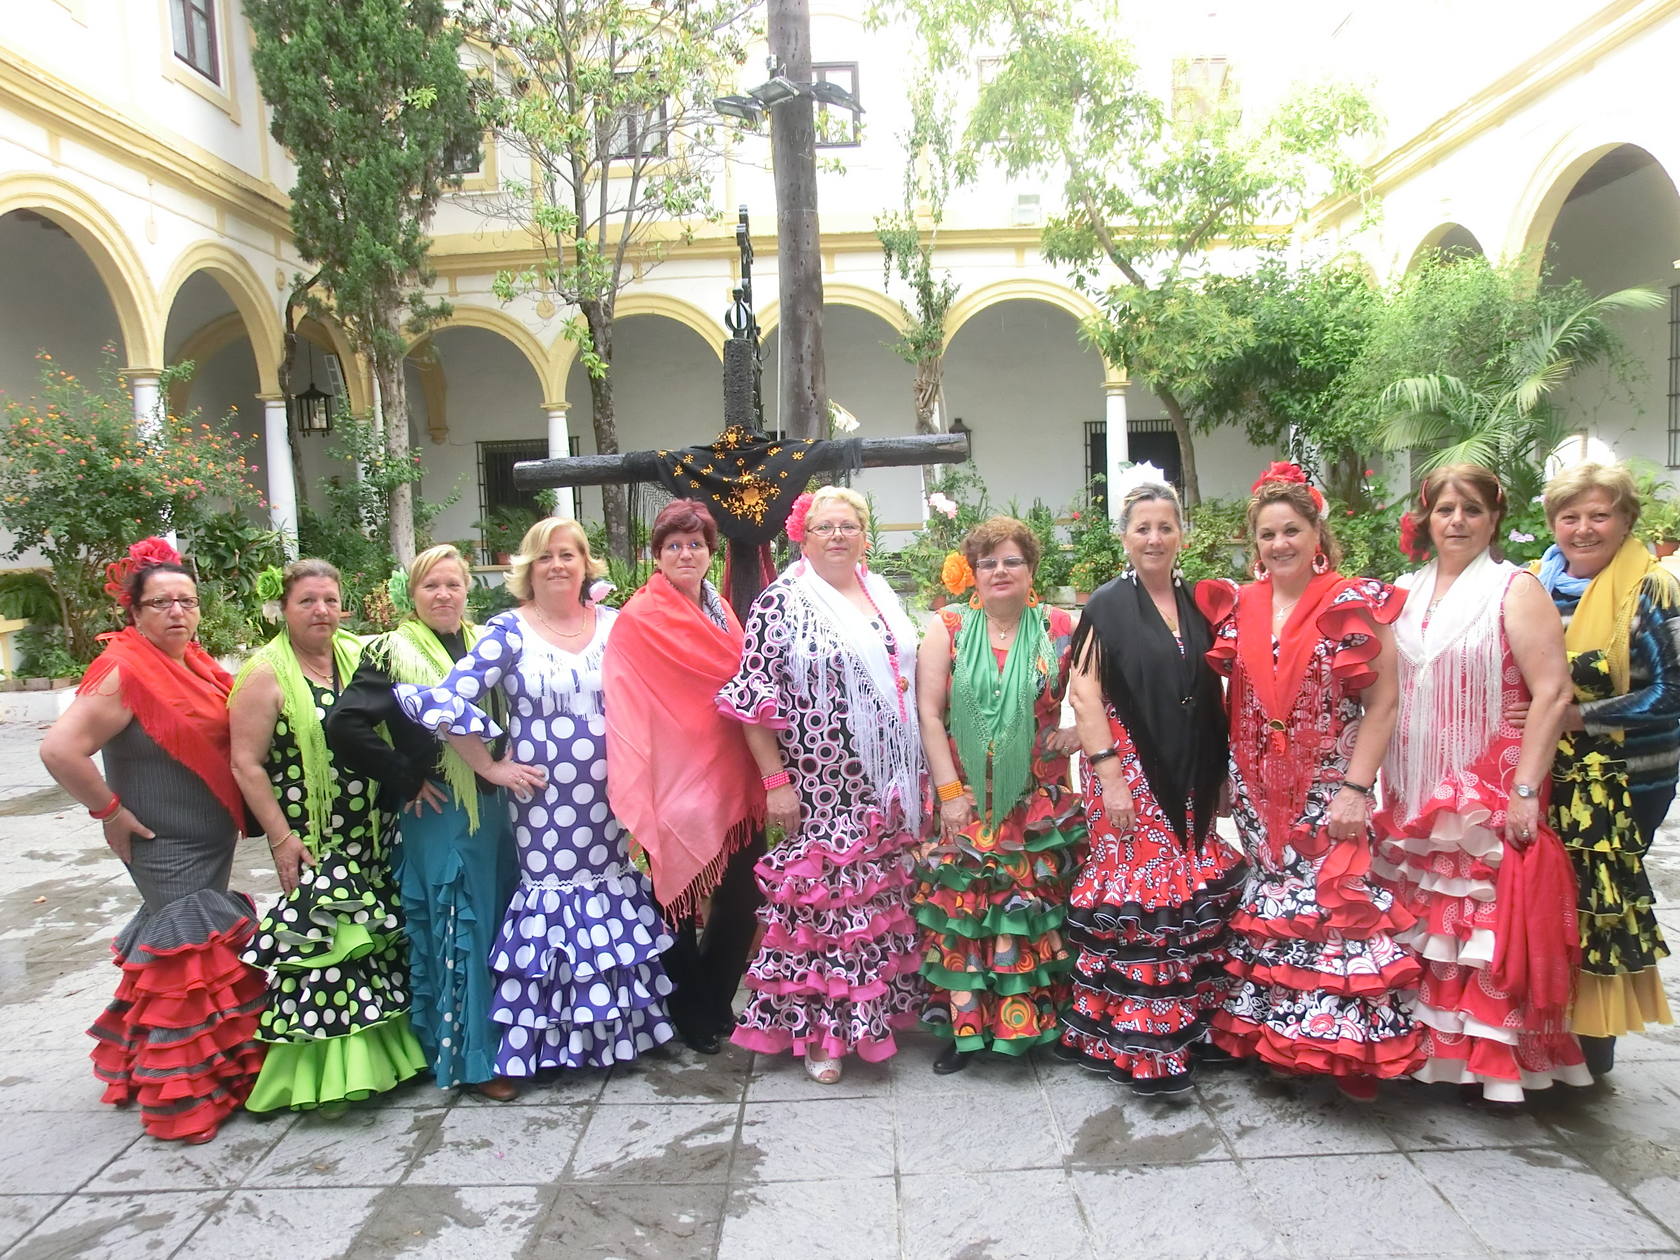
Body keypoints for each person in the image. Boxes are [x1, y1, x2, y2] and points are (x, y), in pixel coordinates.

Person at [396, 517, 676, 1075]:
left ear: (585, 564)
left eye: (568, 554)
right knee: (555, 900)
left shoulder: (616, 625)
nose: (557, 564)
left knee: (610, 890)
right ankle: (555, 1042)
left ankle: (619, 1032)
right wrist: (490, 766)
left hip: (612, 791)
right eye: (545, 556)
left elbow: (658, 695)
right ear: (528, 568)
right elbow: (447, 701)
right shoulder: (508, 630)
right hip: (544, 800)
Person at [1199, 462, 1421, 1102]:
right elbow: (1230, 697)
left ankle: (1337, 1048)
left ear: (1316, 532)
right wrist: (1221, 777)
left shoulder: (1354, 601)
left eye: (1291, 530)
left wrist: (1357, 788)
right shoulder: (1240, 605)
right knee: (1275, 910)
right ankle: (1282, 1043)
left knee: (1331, 907)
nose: (1279, 545)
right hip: (1254, 785)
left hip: (1328, 780)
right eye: (1267, 535)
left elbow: (1383, 704)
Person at [1377, 464, 1591, 1103]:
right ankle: (1425, 1054)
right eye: (1445, 510)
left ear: (1495, 518)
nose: (1457, 522)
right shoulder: (1402, 592)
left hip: (1486, 786)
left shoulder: (1513, 589)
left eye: (1471, 510)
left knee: (1477, 932)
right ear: (1427, 520)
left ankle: (1489, 1070)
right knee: (1423, 920)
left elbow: (1552, 691)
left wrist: (1527, 787)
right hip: (1410, 783)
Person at [41, 538, 265, 1143]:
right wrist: (108, 810)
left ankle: (167, 1066)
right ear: (134, 612)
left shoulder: (192, 662)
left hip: (204, 841)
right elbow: (59, 750)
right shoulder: (124, 670)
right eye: (161, 603)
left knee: (180, 955)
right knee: (186, 962)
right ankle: (184, 1097)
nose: (177, 613)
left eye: (186, 601)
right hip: (165, 846)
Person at [718, 486, 926, 1084]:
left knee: (873, 911)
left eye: (849, 525)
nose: (838, 535)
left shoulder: (881, 593)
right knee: (823, 913)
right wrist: (776, 782)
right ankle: (820, 1037)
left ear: (865, 535)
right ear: (802, 537)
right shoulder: (782, 602)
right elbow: (751, 701)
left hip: (882, 783)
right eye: (825, 526)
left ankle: (873, 1019)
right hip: (817, 787)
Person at [1059, 480, 1245, 1095]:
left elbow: (1214, 692)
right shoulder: (1107, 605)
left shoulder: (1199, 604)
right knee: (1146, 898)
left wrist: (1216, 773)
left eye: (1166, 527)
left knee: (1185, 889)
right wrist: (1109, 774)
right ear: (1124, 536)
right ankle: (1141, 1040)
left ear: (1181, 535)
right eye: (1143, 528)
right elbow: (1084, 692)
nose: (1155, 538)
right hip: (1128, 768)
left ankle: (1188, 1022)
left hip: (1188, 766)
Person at [232, 558, 427, 1112]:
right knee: (329, 952)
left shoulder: (359, 657)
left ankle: (392, 1058)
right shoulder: (265, 672)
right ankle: (332, 1077)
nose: (321, 611)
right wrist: (279, 838)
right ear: (284, 609)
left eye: (329, 600)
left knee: (376, 942)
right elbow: (245, 763)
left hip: (374, 832)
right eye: (307, 601)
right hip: (314, 838)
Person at [324, 545, 518, 1099]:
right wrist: (405, 778)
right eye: (431, 585)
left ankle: (509, 1043)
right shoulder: (389, 652)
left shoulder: (488, 643)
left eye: (453, 585)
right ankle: (473, 1061)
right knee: (463, 929)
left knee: (501, 924)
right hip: (440, 816)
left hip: (498, 810)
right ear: (411, 594)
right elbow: (344, 725)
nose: (444, 595)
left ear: (467, 590)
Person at [915, 516, 1084, 1074]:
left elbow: (1100, 697)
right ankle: (966, 1034)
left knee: (1032, 917)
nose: (1000, 571)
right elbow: (929, 713)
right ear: (973, 572)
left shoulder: (1061, 626)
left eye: (1012, 560)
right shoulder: (949, 626)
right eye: (988, 562)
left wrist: (1079, 732)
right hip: (966, 798)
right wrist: (948, 793)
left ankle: (1039, 1027)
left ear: (1031, 569)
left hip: (1035, 801)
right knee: (968, 915)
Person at [603, 500, 765, 1056]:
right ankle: (690, 1012)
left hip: (730, 770)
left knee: (743, 894)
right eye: (674, 545)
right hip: (671, 777)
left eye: (695, 544)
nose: (685, 553)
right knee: (676, 898)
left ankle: (718, 1000)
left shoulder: (721, 608)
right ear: (657, 554)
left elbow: (739, 678)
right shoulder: (638, 617)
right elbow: (628, 700)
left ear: (709, 551)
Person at [1531, 462, 1678, 1076]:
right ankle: (1542, 1032)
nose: (1584, 529)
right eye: (1571, 516)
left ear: (1625, 521)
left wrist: (1580, 717)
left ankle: (1592, 1043)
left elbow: (1672, 692)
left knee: (1599, 905)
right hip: (1545, 775)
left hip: (1624, 781)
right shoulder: (1535, 584)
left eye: (1600, 515)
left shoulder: (1652, 589)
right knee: (1547, 899)